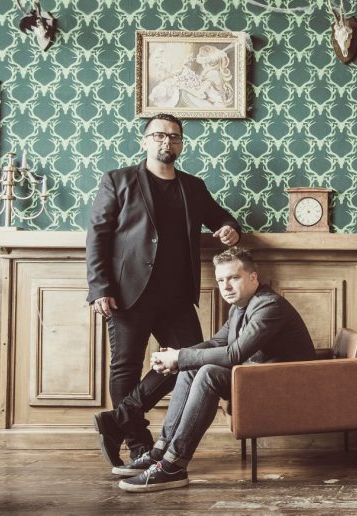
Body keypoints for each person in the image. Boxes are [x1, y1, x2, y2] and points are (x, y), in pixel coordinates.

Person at [87, 112, 242, 470]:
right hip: (128, 293)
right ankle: (138, 444)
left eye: (174, 136)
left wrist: (230, 229)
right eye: (158, 135)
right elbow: (98, 236)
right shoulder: (118, 180)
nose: (166, 141)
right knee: (125, 367)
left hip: (177, 296)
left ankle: (116, 420)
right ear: (145, 141)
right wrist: (99, 287)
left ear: (181, 144)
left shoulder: (193, 187)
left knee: (193, 361)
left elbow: (221, 217)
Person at [115, 247, 316, 492]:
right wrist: (177, 356)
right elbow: (217, 343)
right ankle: (161, 452)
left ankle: (174, 465)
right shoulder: (240, 307)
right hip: (259, 378)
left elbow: (234, 354)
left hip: (289, 386)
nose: (226, 286)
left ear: (253, 277)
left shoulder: (269, 306)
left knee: (208, 373)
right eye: (221, 280)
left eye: (233, 278)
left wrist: (179, 357)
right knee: (192, 368)